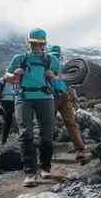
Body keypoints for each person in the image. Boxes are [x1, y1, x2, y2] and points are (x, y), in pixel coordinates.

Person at [5, 28, 60, 187]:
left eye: (40, 44)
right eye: (33, 43)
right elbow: (6, 76)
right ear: (28, 43)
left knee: (47, 133)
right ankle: (30, 172)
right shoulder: (19, 59)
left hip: (45, 97)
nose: (36, 46)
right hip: (23, 97)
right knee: (26, 133)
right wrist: (14, 75)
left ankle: (45, 167)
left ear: (44, 44)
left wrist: (52, 76)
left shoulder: (51, 60)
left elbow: (58, 82)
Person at [48, 45, 87, 162]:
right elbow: (64, 81)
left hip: (51, 96)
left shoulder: (46, 60)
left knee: (48, 124)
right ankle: (80, 150)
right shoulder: (60, 63)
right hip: (64, 95)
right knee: (71, 123)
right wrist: (72, 96)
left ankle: (47, 152)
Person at [0, 75, 19, 146]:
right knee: (9, 121)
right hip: (13, 100)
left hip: (7, 100)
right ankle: (4, 141)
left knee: (7, 121)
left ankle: (3, 140)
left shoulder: (2, 79)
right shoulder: (17, 77)